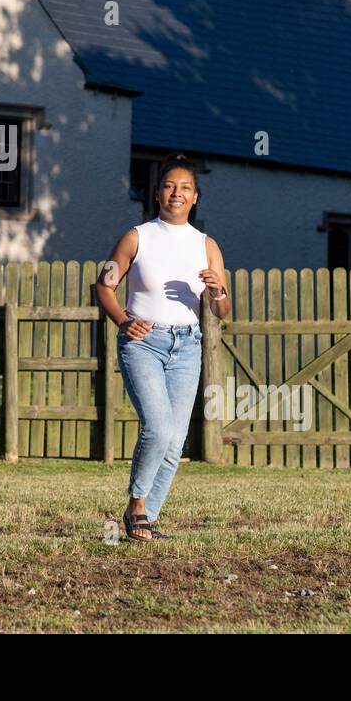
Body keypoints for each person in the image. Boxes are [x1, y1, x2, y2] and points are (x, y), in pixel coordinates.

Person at [94, 154, 231, 542]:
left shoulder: (206, 245)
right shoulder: (136, 237)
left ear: (195, 197)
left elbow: (222, 310)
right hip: (143, 341)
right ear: (157, 194)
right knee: (157, 427)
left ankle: (145, 522)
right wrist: (123, 320)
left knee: (174, 439)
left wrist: (217, 289)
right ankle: (136, 504)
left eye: (185, 188)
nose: (177, 193)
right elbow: (104, 285)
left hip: (187, 345)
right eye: (170, 186)